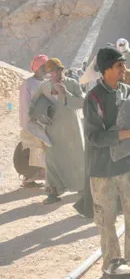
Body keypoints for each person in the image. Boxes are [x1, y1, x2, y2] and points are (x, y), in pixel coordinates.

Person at [84, 47, 130, 271]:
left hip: (128, 165)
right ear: (106, 70)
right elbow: (94, 137)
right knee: (106, 223)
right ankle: (113, 267)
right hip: (103, 170)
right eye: (119, 66)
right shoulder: (93, 98)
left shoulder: (126, 90)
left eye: (124, 65)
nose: (124, 70)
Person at [31, 57, 86, 204]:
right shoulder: (44, 86)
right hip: (52, 129)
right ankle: (53, 192)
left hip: (71, 128)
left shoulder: (73, 83)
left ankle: (83, 189)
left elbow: (82, 103)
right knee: (53, 160)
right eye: (49, 72)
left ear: (61, 70)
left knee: (77, 158)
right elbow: (34, 104)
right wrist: (38, 118)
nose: (53, 75)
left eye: (55, 71)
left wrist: (66, 94)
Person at [18, 54, 48, 188]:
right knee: (34, 150)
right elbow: (24, 105)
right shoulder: (28, 83)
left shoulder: (46, 83)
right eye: (42, 66)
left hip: (45, 122)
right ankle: (29, 178)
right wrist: (30, 122)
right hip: (32, 123)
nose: (44, 69)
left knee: (43, 151)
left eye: (46, 66)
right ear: (36, 68)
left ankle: (42, 177)